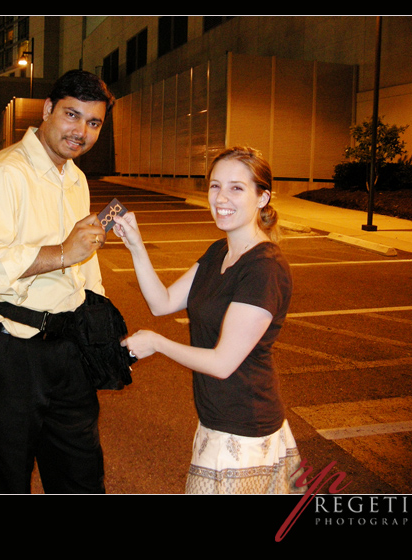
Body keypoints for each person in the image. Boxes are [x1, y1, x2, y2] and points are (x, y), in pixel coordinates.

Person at [0, 70, 115, 494]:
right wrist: (62, 253)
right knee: (7, 479)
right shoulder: (5, 173)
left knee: (80, 477)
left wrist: (99, 322)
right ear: (47, 110)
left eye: (94, 122)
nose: (80, 131)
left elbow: (82, 261)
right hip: (6, 353)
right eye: (71, 115)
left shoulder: (75, 178)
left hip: (66, 352)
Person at [113, 146, 304, 494]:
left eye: (236, 188)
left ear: (263, 197)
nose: (221, 198)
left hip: (244, 427)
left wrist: (157, 343)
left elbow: (222, 362)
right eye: (215, 186)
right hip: (216, 420)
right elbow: (163, 302)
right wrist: (137, 246)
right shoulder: (220, 250)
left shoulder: (264, 269)